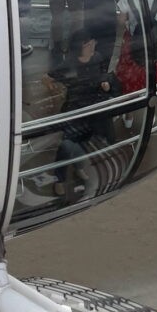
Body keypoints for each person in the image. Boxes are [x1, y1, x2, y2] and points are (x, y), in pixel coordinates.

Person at [50, 19, 122, 200]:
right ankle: (59, 178)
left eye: (92, 42)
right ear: (79, 47)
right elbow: (48, 77)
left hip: (93, 109)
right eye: (88, 44)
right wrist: (57, 90)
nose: (92, 46)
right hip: (75, 110)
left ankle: (79, 167)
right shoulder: (70, 65)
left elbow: (100, 77)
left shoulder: (96, 57)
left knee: (85, 141)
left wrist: (105, 85)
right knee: (67, 146)